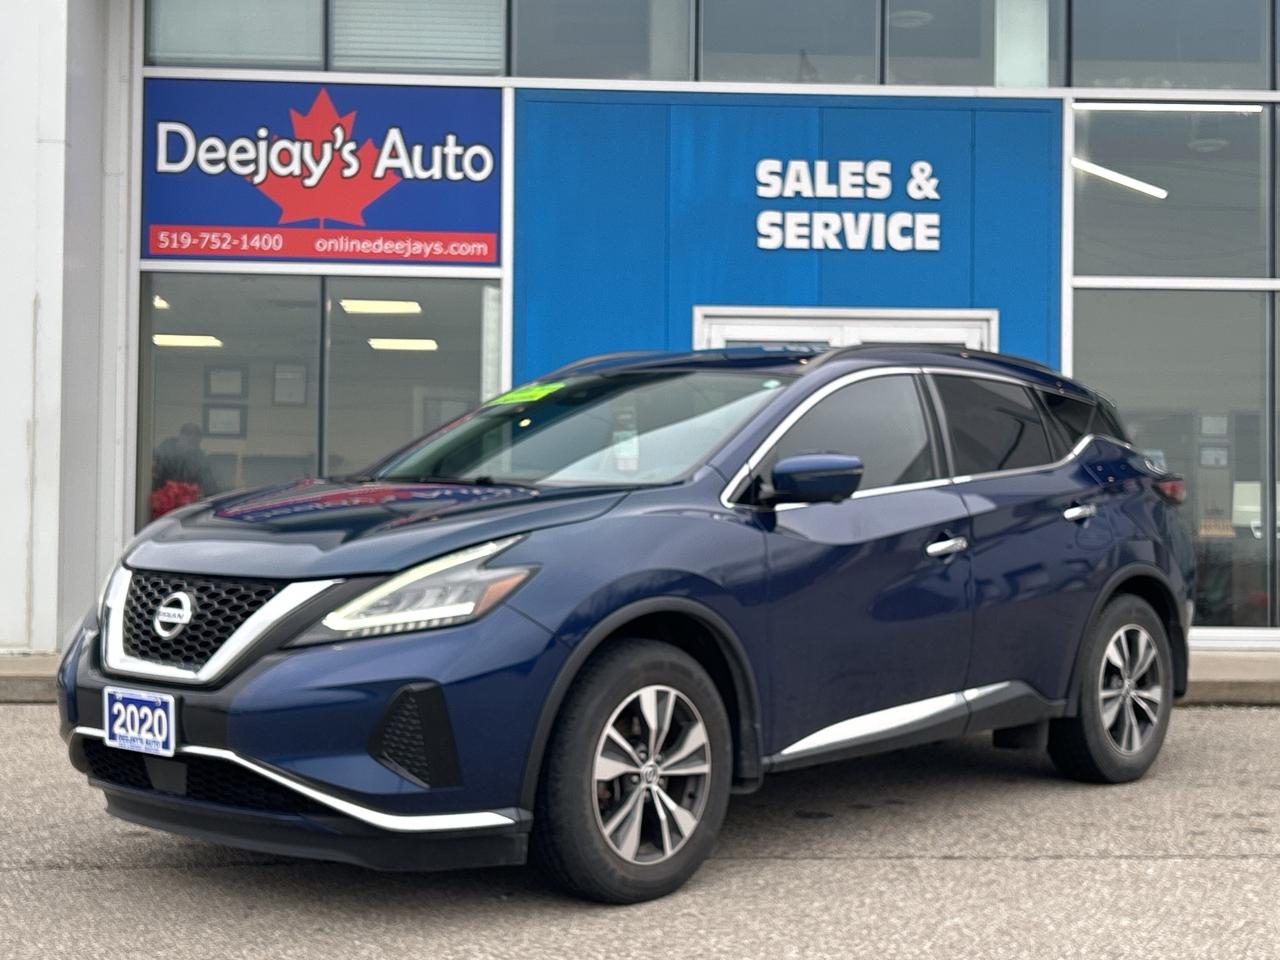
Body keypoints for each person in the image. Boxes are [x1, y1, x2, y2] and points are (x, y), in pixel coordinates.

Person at [150, 423, 218, 518]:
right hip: (162, 506)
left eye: (196, 443)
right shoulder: (162, 454)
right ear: (181, 437)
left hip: (187, 507)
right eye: (189, 439)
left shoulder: (200, 459)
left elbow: (209, 484)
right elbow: (154, 479)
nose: (192, 445)